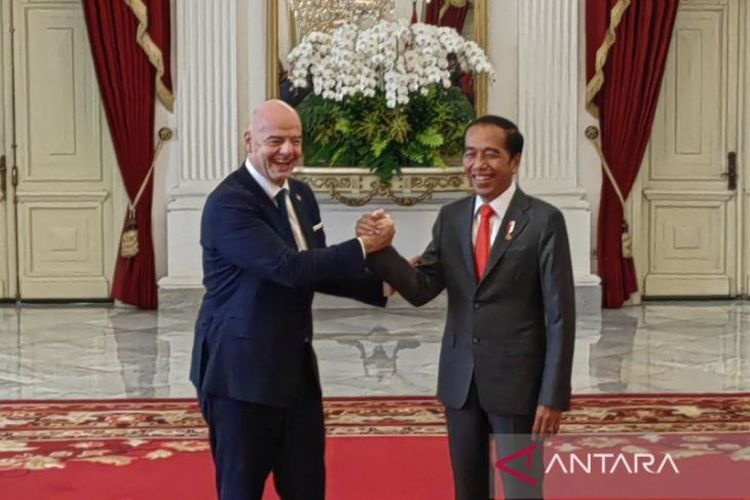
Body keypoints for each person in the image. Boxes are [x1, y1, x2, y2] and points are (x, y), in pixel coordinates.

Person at [358, 115, 576, 499]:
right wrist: (379, 249)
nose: (478, 165)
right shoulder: (452, 217)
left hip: (518, 384)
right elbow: (422, 287)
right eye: (471, 154)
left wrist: (552, 394)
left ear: (515, 161)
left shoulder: (543, 221)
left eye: (491, 154)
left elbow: (560, 315)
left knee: (523, 490)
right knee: (468, 490)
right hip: (460, 382)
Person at [190, 99, 394, 500]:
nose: (287, 151)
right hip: (240, 376)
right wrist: (363, 245)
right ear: (250, 142)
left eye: (296, 141)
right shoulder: (230, 203)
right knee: (241, 490)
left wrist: (387, 282)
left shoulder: (299, 195)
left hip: (295, 371)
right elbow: (289, 269)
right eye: (275, 140)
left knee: (306, 487)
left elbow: (314, 269)